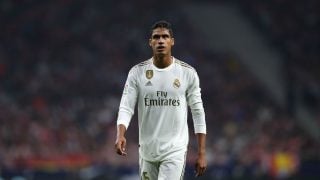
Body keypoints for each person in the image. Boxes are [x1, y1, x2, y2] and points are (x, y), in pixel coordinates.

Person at [115, 20, 207, 179]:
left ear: (172, 41)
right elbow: (126, 106)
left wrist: (201, 152)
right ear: (150, 42)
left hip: (174, 151)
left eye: (165, 37)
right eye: (156, 37)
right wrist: (120, 134)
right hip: (147, 151)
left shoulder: (187, 73)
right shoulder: (137, 73)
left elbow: (198, 113)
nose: (160, 41)